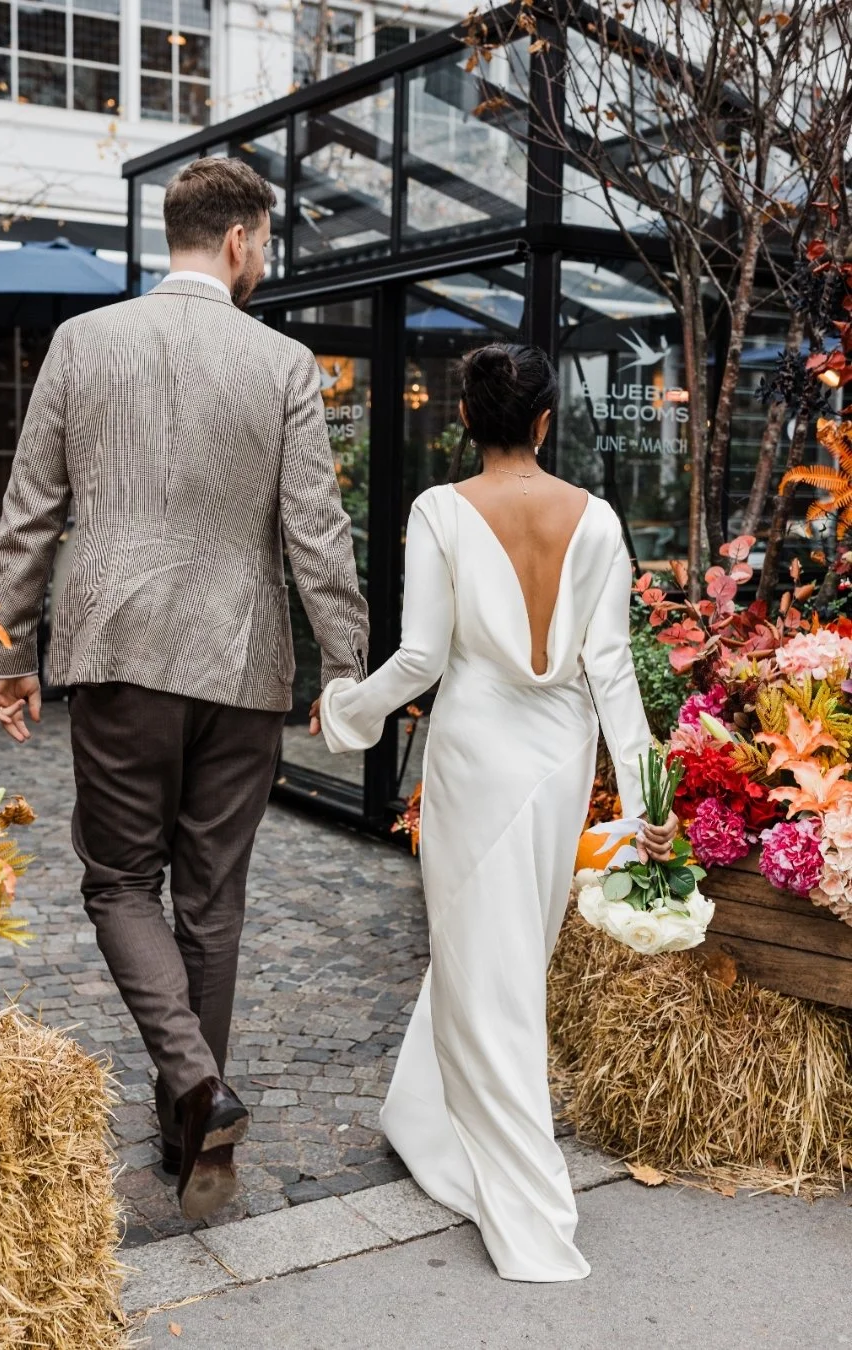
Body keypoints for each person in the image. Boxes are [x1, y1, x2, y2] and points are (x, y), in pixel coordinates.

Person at [0, 157, 369, 1221]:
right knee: (211, 901)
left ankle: (196, 1089)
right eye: (269, 244)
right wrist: (345, 665)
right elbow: (316, 534)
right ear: (242, 240)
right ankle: (195, 1135)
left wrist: (8, 653)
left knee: (117, 884)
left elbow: (29, 515)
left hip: (115, 651)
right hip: (244, 665)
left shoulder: (82, 344)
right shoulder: (286, 363)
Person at [315, 343, 676, 1281]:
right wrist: (647, 801)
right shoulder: (596, 520)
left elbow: (420, 660)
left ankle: (524, 1199)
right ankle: (427, 1116)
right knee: (511, 951)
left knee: (487, 953)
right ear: (547, 421)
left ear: (465, 421)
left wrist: (346, 708)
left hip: (475, 757)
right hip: (561, 760)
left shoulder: (439, 510)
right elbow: (611, 670)